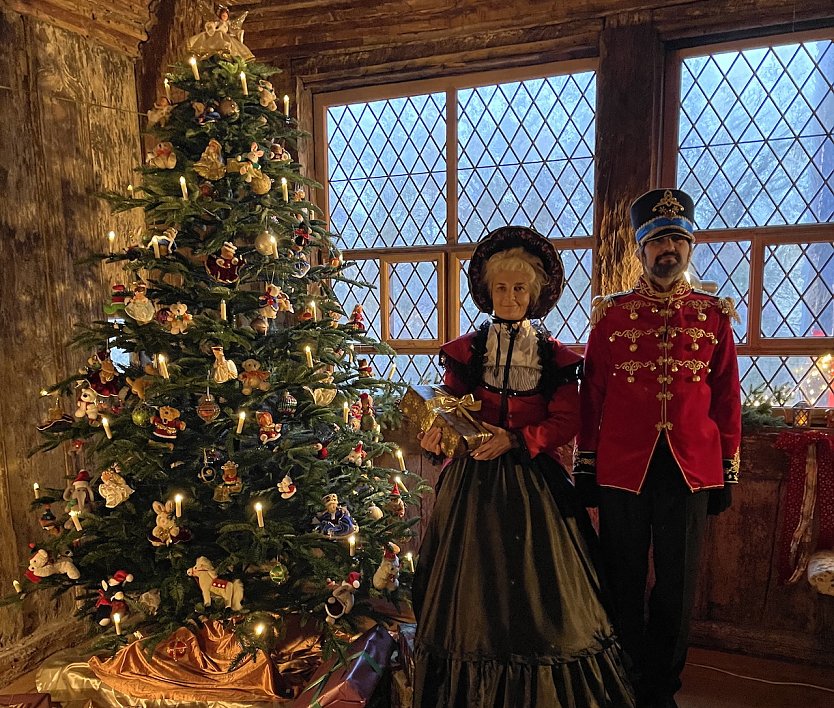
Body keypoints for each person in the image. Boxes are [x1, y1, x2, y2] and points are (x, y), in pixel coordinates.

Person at [412, 225, 635, 707]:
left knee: (545, 590)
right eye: (501, 287)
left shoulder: (554, 357)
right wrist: (440, 437)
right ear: (486, 291)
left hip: (536, 480)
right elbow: (450, 405)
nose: (509, 297)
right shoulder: (466, 351)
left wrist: (515, 440)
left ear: (535, 293)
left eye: (519, 288)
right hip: (473, 480)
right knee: (469, 593)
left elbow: (567, 418)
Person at [574, 188, 741, 708]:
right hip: (624, 469)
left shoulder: (714, 315)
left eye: (678, 239)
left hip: (690, 470)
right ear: (641, 248)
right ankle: (624, 679)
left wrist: (727, 469)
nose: (668, 248)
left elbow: (726, 396)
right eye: (657, 240)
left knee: (677, 584)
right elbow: (592, 395)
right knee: (621, 578)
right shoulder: (612, 316)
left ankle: (660, 688)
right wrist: (586, 463)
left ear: (690, 247)